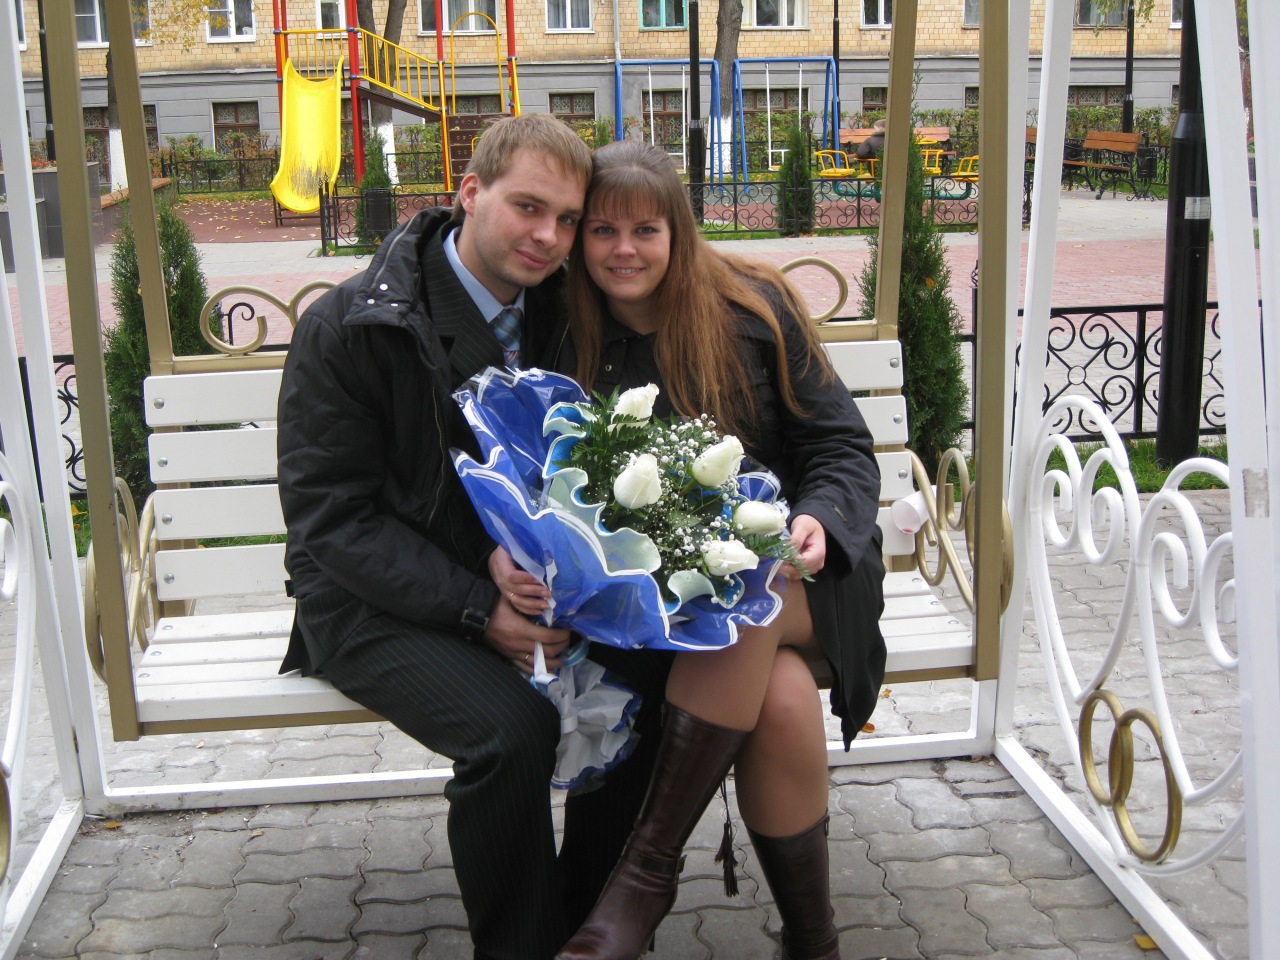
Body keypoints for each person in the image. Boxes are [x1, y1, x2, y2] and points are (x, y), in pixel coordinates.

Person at [275, 113, 668, 960]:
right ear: (469, 194)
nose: (549, 236)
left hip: (537, 591)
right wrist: (479, 606)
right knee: (511, 733)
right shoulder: (353, 324)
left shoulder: (568, 311)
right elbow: (330, 518)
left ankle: (584, 931)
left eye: (567, 219)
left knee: (650, 681)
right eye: (528, 207)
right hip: (369, 602)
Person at [500, 139, 887, 960]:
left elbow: (842, 447)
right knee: (781, 699)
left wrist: (820, 516)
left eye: (646, 230)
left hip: (804, 576)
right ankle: (814, 947)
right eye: (602, 231)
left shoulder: (754, 310)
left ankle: (647, 872)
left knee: (750, 598)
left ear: (678, 231)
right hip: (669, 606)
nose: (625, 250)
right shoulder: (564, 331)